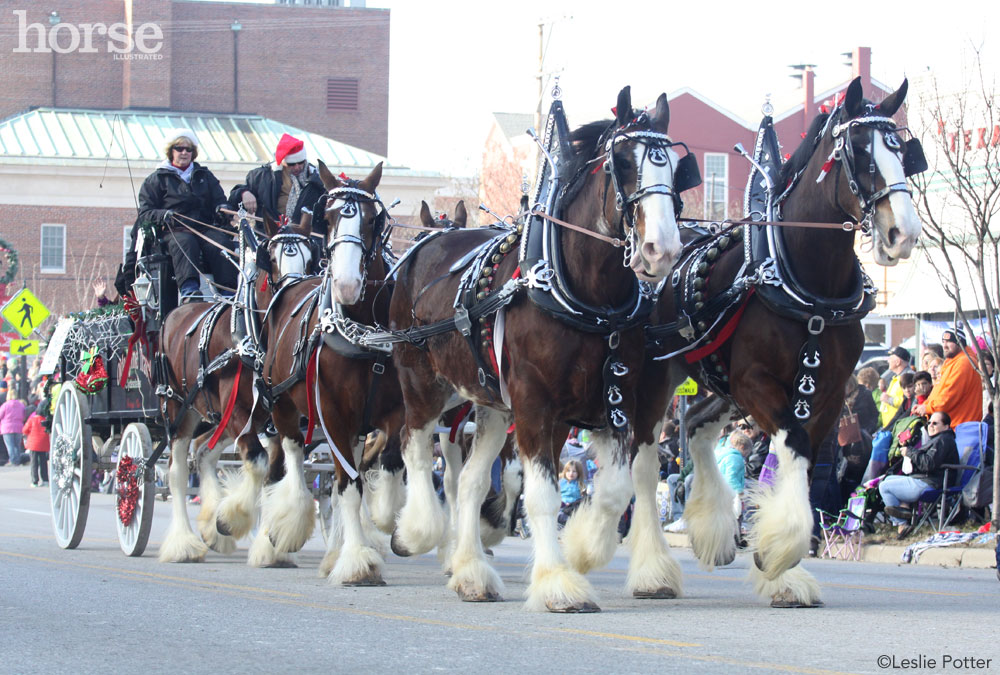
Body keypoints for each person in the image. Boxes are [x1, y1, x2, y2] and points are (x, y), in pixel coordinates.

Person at [137, 128, 237, 303]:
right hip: (175, 229)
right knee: (185, 243)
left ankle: (228, 291)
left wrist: (222, 208)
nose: (184, 152)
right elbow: (145, 212)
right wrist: (164, 215)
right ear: (171, 151)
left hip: (204, 229)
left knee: (220, 243)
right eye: (179, 148)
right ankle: (189, 290)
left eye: (188, 149)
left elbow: (220, 200)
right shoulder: (157, 179)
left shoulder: (204, 176)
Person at [878, 411, 959, 537]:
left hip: (932, 484)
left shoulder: (943, 441)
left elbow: (928, 464)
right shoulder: (937, 439)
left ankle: (901, 523)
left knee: (884, 487)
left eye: (935, 423)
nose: (930, 425)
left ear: (946, 427)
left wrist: (909, 452)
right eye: (929, 422)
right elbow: (923, 460)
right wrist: (907, 446)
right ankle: (904, 510)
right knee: (887, 480)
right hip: (925, 480)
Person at [228, 133, 326, 226]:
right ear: (282, 162)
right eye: (291, 164)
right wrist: (244, 193)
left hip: (306, 236)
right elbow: (233, 199)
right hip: (269, 234)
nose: (297, 167)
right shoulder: (261, 176)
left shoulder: (318, 179)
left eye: (301, 162)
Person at [913, 327, 983, 427]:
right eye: (943, 342)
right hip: (950, 426)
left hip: (960, 428)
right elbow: (938, 391)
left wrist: (927, 408)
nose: (944, 346)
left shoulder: (964, 362)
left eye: (949, 342)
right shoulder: (951, 361)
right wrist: (924, 405)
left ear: (960, 343)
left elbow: (949, 396)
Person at [878, 345, 914, 429]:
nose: (888, 361)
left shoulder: (908, 376)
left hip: (898, 426)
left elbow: (908, 401)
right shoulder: (896, 377)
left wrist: (888, 399)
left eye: (890, 358)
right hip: (891, 426)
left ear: (898, 362)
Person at [22, 404, 49, 487]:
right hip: (43, 444)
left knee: (34, 463)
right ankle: (45, 480)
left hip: (33, 444)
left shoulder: (32, 420)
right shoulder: (46, 420)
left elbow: (25, 430)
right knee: (43, 462)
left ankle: (35, 481)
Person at [0, 396, 28, 465]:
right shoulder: (21, 405)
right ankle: (17, 460)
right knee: (17, 445)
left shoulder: (5, 405)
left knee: (10, 445)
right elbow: (24, 415)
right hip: (18, 427)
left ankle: (12, 460)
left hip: (7, 428)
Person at [558, 459, 586, 526]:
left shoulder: (580, 484)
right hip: (563, 506)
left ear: (578, 473)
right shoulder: (561, 482)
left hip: (574, 507)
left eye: (574, 471)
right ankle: (568, 520)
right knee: (559, 515)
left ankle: (573, 521)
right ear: (565, 471)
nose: (571, 473)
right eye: (568, 471)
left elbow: (583, 497)